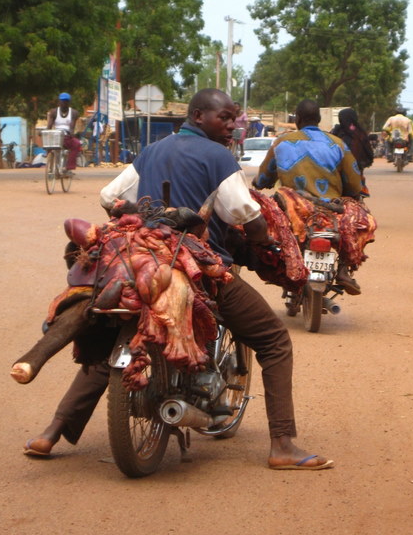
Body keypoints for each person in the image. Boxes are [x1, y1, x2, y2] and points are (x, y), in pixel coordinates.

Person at [19, 89, 333, 470]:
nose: (233, 124)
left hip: (139, 260)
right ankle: (282, 444)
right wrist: (263, 239)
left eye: (235, 118)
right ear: (199, 116)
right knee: (274, 340)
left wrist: (143, 214)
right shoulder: (219, 157)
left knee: (111, 340)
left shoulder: (153, 150)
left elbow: (108, 196)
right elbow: (244, 213)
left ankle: (52, 432)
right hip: (197, 269)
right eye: (225, 117)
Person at [253, 99, 364, 295]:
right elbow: (354, 183)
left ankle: (281, 268)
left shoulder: (282, 142)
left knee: (269, 230)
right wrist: (352, 195)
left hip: (292, 209)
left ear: (298, 118)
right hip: (331, 210)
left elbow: (264, 177)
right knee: (356, 223)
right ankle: (343, 268)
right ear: (319, 119)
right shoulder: (337, 143)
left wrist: (260, 183)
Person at [331, 108, 373, 196]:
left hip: (336, 176)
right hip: (356, 176)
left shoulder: (336, 133)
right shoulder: (361, 134)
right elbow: (369, 155)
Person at [47, 93, 82, 175]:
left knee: (77, 144)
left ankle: (68, 168)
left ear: (69, 102)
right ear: (59, 102)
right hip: (56, 136)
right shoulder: (54, 112)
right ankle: (50, 166)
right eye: (62, 101)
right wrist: (44, 132)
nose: (64, 103)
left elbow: (72, 127)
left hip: (66, 136)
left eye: (66, 101)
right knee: (48, 143)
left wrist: (71, 134)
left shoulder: (73, 113)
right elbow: (49, 126)